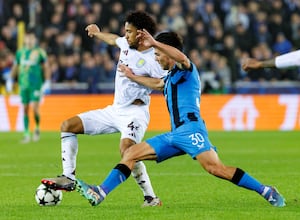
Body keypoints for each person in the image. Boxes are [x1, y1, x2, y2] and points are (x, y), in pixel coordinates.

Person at [75, 30, 286, 207]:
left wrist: (155, 42)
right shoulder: (169, 78)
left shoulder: (187, 70)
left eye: (158, 54)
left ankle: (266, 190)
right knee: (130, 153)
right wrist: (131, 76)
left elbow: (182, 58)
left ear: (169, 52)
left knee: (216, 169)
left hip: (192, 130)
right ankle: (100, 192)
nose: (156, 58)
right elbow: (157, 84)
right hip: (176, 134)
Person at [41, 11, 166, 207]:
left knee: (127, 150)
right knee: (67, 125)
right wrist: (97, 33)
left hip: (135, 113)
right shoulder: (125, 43)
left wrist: (133, 76)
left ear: (141, 34)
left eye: (129, 32)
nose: (126, 35)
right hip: (114, 110)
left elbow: (160, 83)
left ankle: (150, 197)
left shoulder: (153, 59)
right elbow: (113, 40)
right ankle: (68, 177)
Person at [6, 30, 51, 143]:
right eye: (28, 38)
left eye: (32, 38)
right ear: (25, 40)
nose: (30, 40)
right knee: (25, 109)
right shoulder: (20, 53)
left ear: (35, 40)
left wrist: (47, 81)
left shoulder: (40, 52)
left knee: (35, 108)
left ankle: (36, 127)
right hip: (23, 84)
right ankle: (26, 133)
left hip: (36, 84)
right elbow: (16, 67)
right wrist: (10, 79)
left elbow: (46, 67)